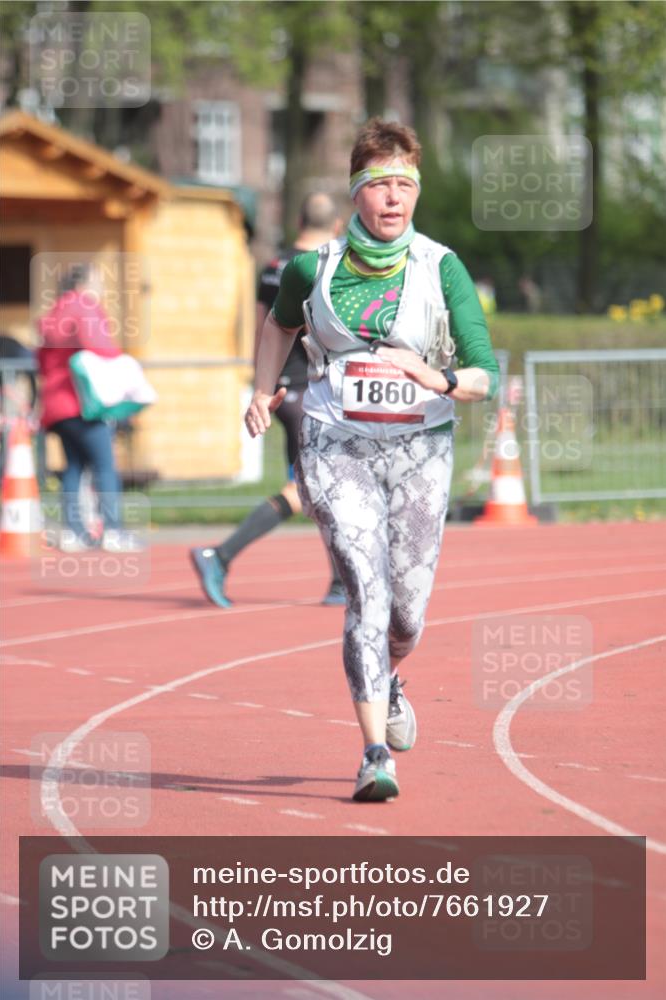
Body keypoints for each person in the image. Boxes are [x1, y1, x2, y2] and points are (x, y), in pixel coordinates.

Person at [245, 118, 499, 802]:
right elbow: (279, 323)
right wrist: (263, 388)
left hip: (420, 447)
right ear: (355, 193)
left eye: (404, 185)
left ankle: (391, 680)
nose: (393, 198)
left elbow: (484, 375)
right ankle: (373, 754)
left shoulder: (439, 267)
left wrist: (436, 377)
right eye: (379, 185)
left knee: (407, 614)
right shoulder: (312, 268)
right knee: (365, 591)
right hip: (335, 444)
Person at [190, 193, 346, 608]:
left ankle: (338, 581)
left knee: (320, 486)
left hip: (278, 386)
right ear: (336, 226)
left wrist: (260, 384)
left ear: (298, 220)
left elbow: (266, 325)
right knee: (309, 486)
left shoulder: (275, 266)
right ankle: (220, 555)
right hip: (310, 390)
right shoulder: (324, 267)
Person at [37, 263, 133, 552]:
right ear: (83, 284)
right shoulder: (84, 306)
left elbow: (42, 358)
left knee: (74, 467)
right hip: (83, 403)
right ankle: (113, 530)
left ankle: (74, 531)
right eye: (98, 282)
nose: (102, 288)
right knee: (105, 466)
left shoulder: (55, 312)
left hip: (56, 403)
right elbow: (102, 348)